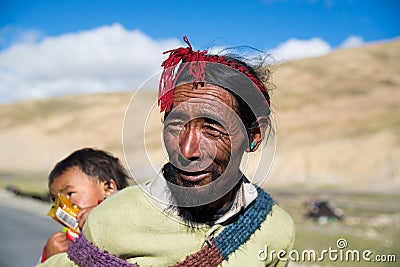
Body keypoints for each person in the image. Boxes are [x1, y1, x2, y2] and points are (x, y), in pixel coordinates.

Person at [37, 36, 295, 266]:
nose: (187, 150)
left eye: (213, 128)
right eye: (175, 125)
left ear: (254, 136)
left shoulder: (275, 229)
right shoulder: (111, 219)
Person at [39, 147, 131, 263]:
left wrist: (104, 212)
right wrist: (50, 259)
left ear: (108, 188)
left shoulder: (127, 216)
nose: (61, 207)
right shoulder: (63, 242)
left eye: (70, 194)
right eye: (55, 200)